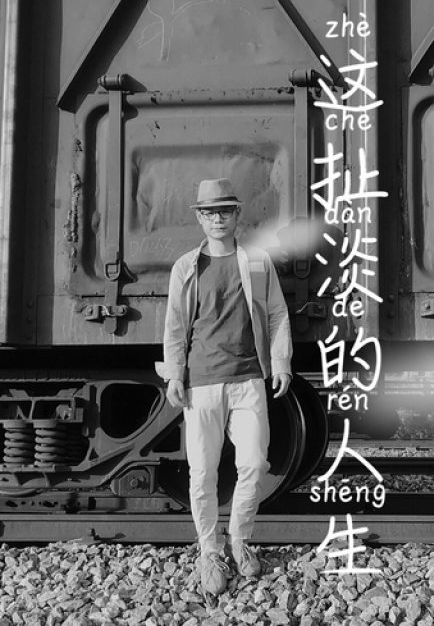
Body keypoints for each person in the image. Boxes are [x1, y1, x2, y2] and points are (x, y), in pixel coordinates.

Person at [155, 178, 292, 597]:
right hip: (202, 383)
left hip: (249, 379)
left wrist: (281, 362)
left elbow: (277, 314)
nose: (218, 219)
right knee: (202, 472)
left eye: (225, 211)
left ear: (237, 215)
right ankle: (209, 551)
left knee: (254, 464)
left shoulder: (257, 262)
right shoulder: (186, 267)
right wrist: (174, 374)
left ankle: (239, 540)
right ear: (200, 218)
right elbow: (175, 325)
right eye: (210, 212)